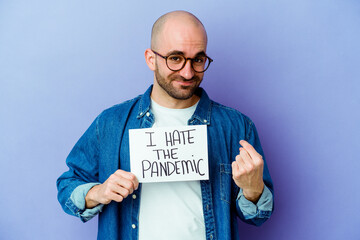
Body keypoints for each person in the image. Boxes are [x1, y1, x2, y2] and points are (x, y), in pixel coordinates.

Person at [57, 10, 274, 240]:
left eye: (198, 59)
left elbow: (258, 216)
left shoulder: (236, 127)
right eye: (176, 58)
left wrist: (252, 189)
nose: (188, 72)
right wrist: (98, 192)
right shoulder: (111, 123)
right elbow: (67, 185)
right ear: (151, 59)